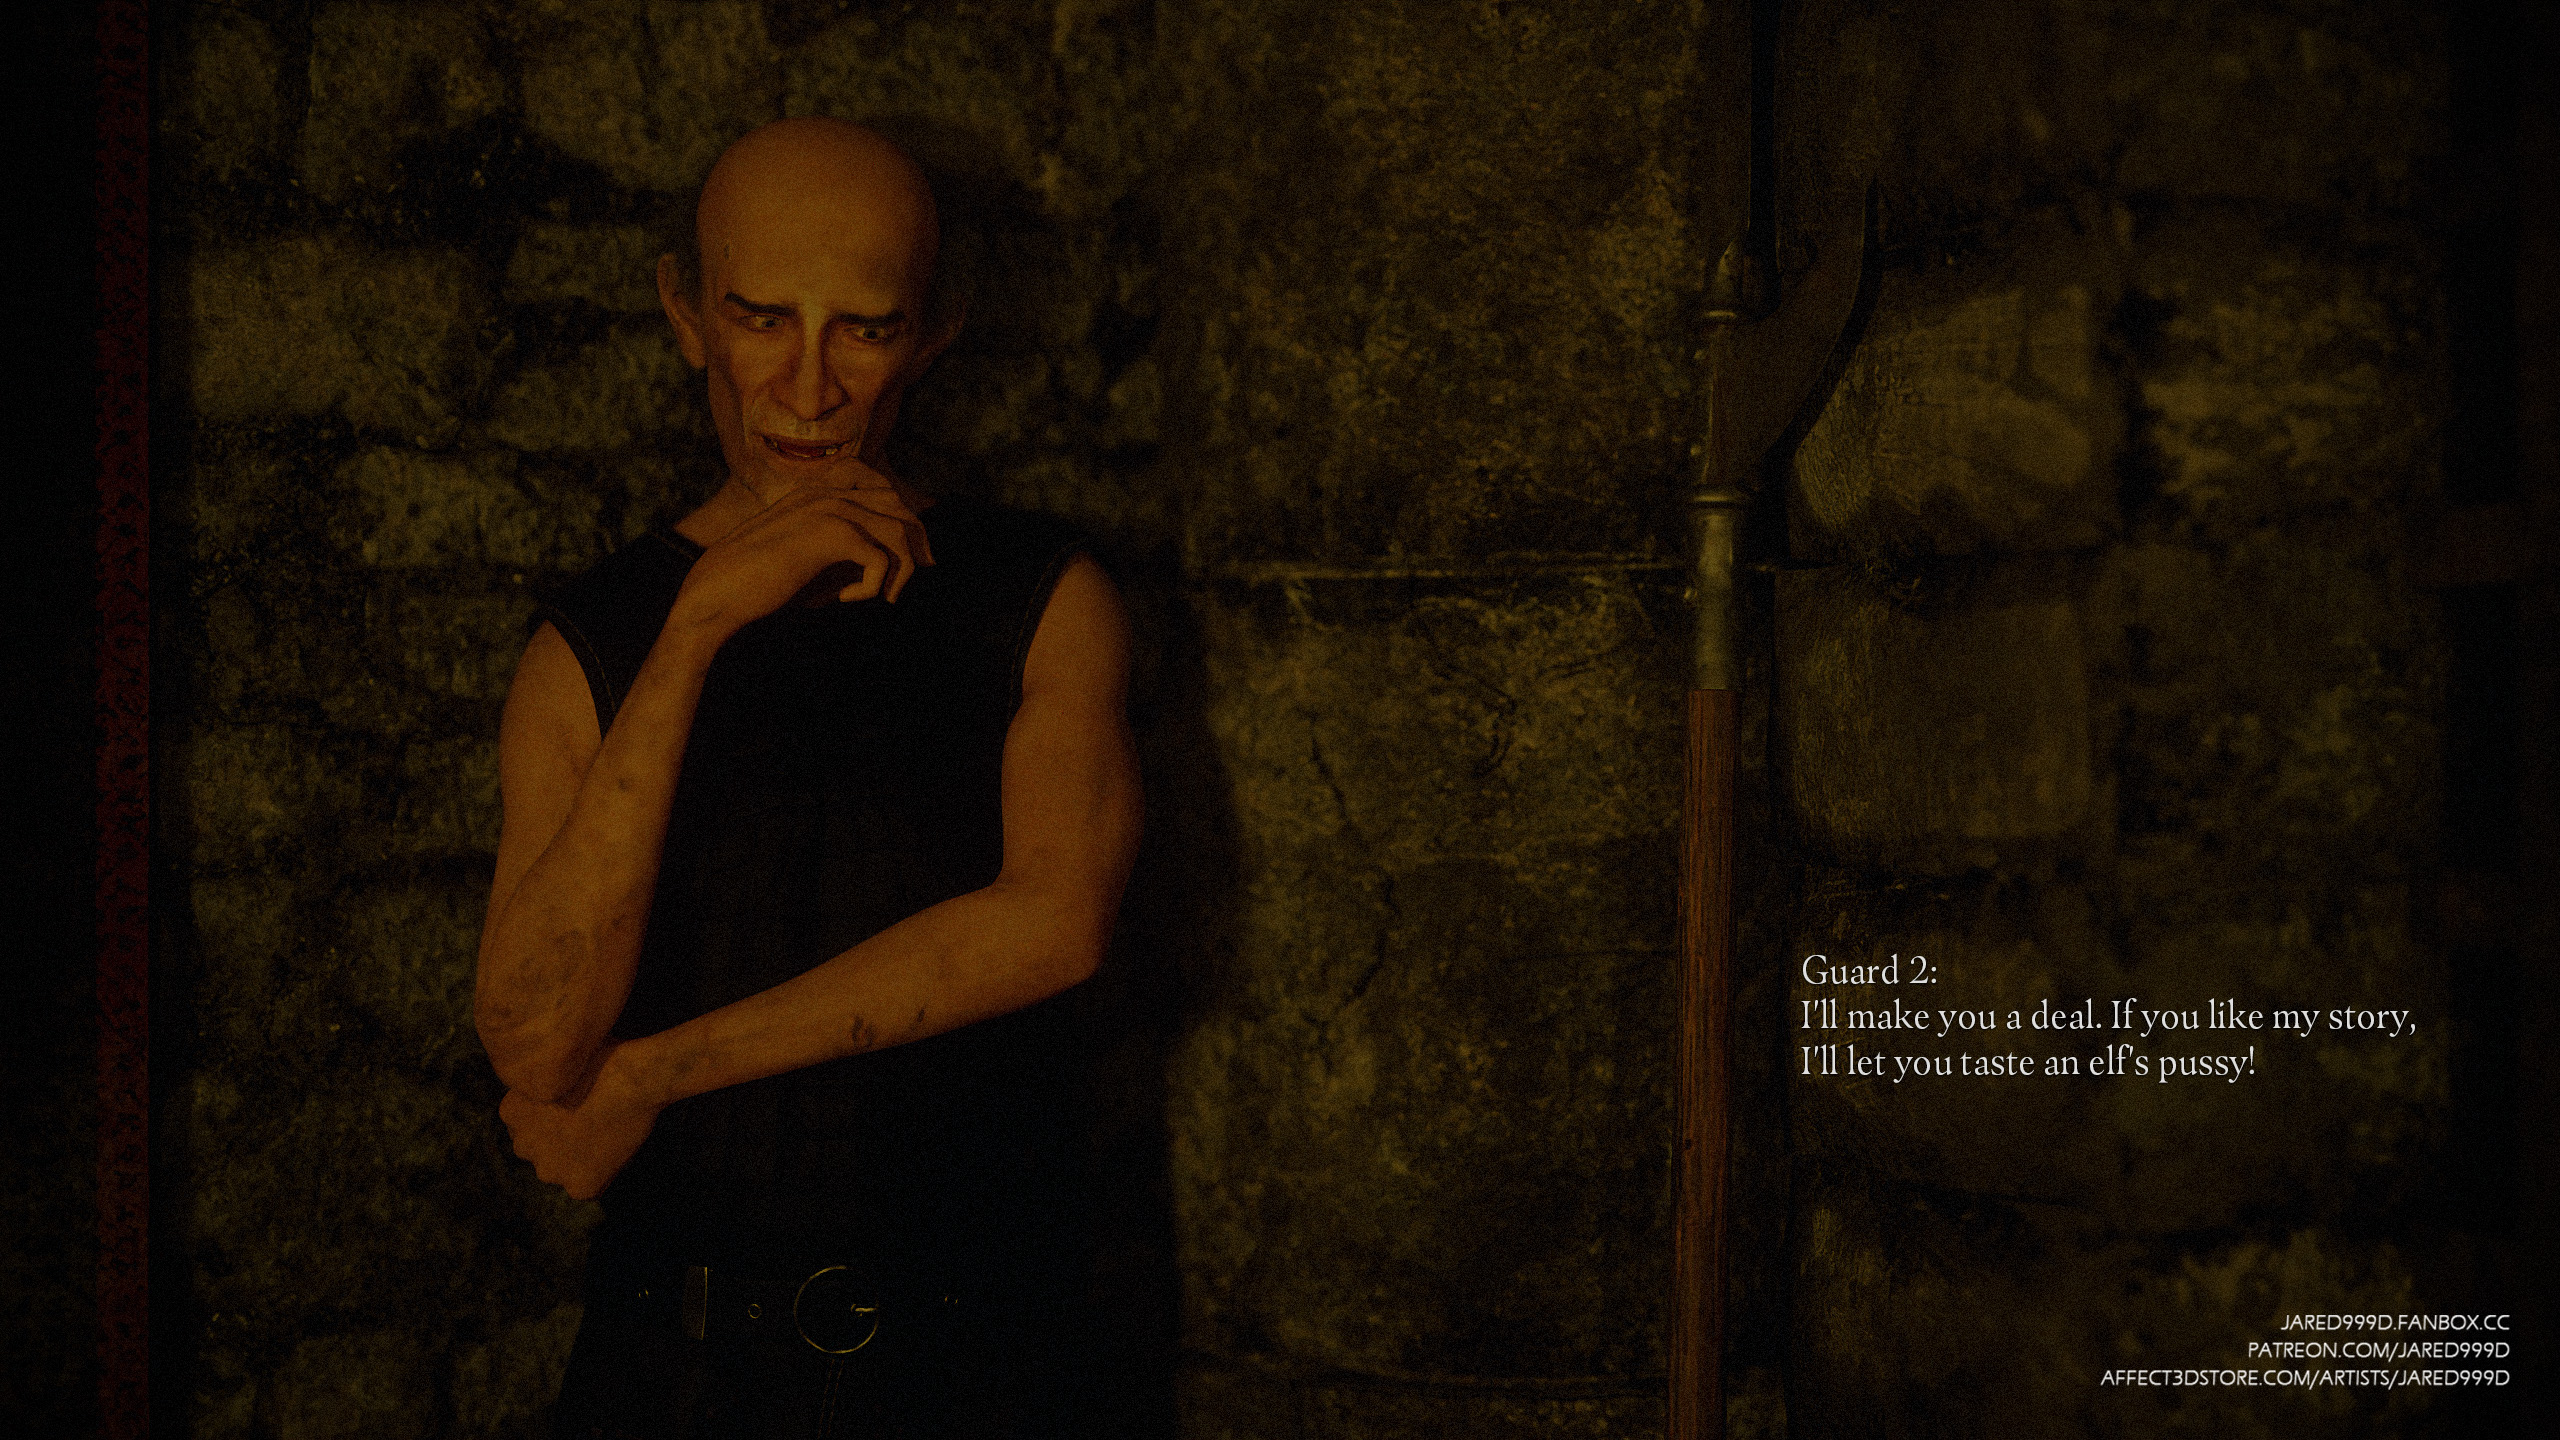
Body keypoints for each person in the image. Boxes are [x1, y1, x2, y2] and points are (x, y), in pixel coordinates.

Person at [472, 117, 1143, 1438]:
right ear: (686, 316)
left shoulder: (1041, 596)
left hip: (978, 1367)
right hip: (674, 1372)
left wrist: (652, 1075)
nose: (812, 385)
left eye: (865, 329)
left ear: (933, 333)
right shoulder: (592, 640)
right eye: (763, 319)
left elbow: (1056, 922)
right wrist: (695, 631)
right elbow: (538, 1042)